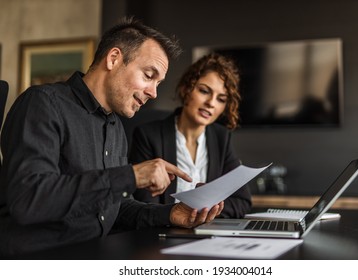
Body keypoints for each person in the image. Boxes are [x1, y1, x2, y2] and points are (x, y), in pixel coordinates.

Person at [0, 17, 223, 256]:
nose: (154, 93)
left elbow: (111, 209)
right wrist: (131, 176)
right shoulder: (43, 103)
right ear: (114, 58)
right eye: (149, 76)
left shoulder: (115, 126)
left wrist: (171, 213)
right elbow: (29, 199)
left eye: (158, 83)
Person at [130, 53, 252, 218]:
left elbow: (242, 201)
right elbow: (143, 204)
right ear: (187, 88)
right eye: (204, 91)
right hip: (162, 232)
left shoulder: (221, 137)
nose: (211, 103)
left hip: (206, 233)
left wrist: (202, 212)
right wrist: (177, 215)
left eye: (221, 99)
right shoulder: (148, 135)